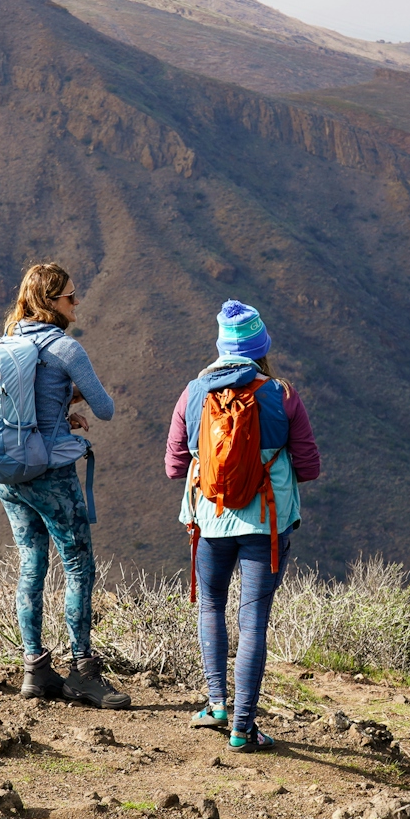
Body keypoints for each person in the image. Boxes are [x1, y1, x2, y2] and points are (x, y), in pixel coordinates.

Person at [164, 300, 320, 751]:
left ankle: (216, 706)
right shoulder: (282, 394)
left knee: (210, 606)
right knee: (253, 624)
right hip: (266, 523)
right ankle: (243, 728)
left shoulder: (193, 393)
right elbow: (309, 466)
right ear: (260, 346)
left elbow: (175, 466)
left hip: (209, 519)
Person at [0, 263, 128, 709]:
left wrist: (59, 408)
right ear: (50, 302)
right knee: (78, 564)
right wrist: (76, 396)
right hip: (50, 474)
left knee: (31, 563)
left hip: (10, 474)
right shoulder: (65, 349)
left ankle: (34, 669)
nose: (77, 302)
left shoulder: (9, 343)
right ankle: (83, 670)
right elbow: (105, 409)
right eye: (71, 296)